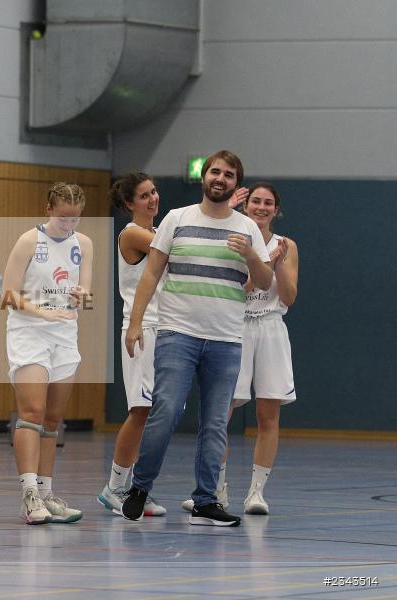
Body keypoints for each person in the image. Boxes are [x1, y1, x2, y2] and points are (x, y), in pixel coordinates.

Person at [121, 150, 272, 527]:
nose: (221, 178)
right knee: (166, 410)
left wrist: (252, 255)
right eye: (215, 172)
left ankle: (206, 499)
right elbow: (151, 274)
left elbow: (266, 281)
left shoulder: (247, 228)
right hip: (178, 334)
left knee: (216, 421)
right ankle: (139, 486)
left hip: (225, 339)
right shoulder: (177, 219)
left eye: (229, 175)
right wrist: (135, 323)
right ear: (204, 177)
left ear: (237, 183)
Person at [180, 182, 298, 515]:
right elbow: (238, 291)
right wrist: (264, 263)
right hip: (235, 326)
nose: (261, 207)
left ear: (276, 210)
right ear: (247, 207)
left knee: (268, 413)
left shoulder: (286, 245)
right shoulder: (233, 241)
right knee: (221, 412)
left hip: (272, 328)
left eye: (268, 203)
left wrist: (279, 262)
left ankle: (257, 493)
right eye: (256, 201)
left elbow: (288, 297)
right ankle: (215, 490)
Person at [3, 183, 93, 524]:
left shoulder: (83, 244)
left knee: (53, 418)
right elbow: (8, 294)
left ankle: (46, 492)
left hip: (65, 332)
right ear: (49, 209)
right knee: (33, 411)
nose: (69, 225)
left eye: (76, 219)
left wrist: (83, 295)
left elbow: (87, 293)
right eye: (63, 217)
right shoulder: (29, 240)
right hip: (29, 331)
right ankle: (29, 495)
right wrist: (42, 312)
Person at [96, 173, 166, 517]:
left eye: (153, 192)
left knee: (152, 412)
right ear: (129, 204)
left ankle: (136, 486)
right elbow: (173, 248)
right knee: (141, 410)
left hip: (165, 328)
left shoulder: (157, 232)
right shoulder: (133, 234)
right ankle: (115, 486)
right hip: (142, 329)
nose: (152, 198)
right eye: (143, 196)